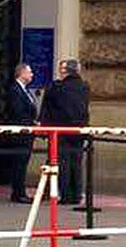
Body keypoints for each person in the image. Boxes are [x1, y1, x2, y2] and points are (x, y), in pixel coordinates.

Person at [39, 59, 90, 206]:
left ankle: (66, 194)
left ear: (64, 71)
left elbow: (47, 108)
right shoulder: (84, 87)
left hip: (60, 131)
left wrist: (44, 126)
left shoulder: (57, 87)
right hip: (78, 131)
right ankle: (76, 194)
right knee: (77, 163)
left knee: (62, 164)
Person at [5, 63, 37, 203]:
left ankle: (19, 192)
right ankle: (18, 193)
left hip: (27, 131)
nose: (32, 75)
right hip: (21, 133)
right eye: (29, 72)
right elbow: (17, 112)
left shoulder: (25, 90)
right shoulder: (15, 90)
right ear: (22, 73)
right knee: (19, 163)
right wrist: (31, 123)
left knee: (23, 162)